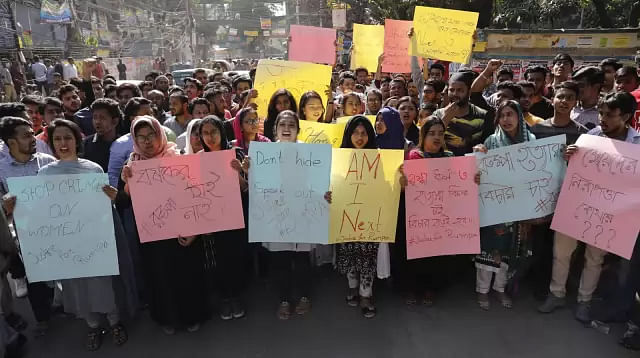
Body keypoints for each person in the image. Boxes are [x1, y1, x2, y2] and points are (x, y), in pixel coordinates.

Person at [539, 91, 638, 324]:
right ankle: (557, 294)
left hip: (609, 214)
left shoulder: (638, 144)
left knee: (594, 258)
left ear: (625, 116)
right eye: (601, 113)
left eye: (609, 115)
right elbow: (572, 168)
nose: (602, 118)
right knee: (561, 253)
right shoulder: (590, 136)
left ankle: (584, 301)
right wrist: (568, 155)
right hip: (577, 205)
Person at [37, 119, 128, 350]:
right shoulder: (44, 175)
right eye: (57, 138)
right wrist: (14, 205)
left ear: (77, 140)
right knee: (76, 286)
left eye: (67, 137)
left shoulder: (93, 169)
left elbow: (105, 208)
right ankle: (92, 325)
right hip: (67, 242)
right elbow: (40, 210)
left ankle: (115, 322)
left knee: (102, 283)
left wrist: (111, 196)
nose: (63, 143)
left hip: (94, 239)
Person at [120, 116, 209, 335]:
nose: (147, 141)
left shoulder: (178, 158)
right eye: (141, 137)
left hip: (182, 233)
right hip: (154, 237)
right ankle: (166, 317)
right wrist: (126, 182)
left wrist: (195, 231)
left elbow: (196, 195)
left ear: (159, 134)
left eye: (151, 135)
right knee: (159, 278)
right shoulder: (133, 165)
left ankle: (192, 315)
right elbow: (124, 202)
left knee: (186, 276)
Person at [473, 100, 535, 310]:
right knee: (490, 247)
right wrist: (478, 157)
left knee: (510, 249)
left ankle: (500, 289)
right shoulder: (491, 142)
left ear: (519, 117)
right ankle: (482, 290)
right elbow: (479, 171)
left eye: (511, 114)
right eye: (502, 115)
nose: (506, 119)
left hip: (519, 208)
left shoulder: (531, 143)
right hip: (494, 207)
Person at [0, 116, 55, 337]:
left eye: (33, 133)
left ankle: (65, 304)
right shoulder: (1, 170)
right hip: (26, 231)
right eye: (26, 135)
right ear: (10, 142)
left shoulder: (48, 161)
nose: (33, 138)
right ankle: (42, 316)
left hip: (56, 225)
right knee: (35, 275)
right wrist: (5, 207)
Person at [197, 115, 248, 320]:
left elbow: (246, 188)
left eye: (214, 132)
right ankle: (224, 298)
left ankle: (236, 296)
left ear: (222, 131)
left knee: (235, 256)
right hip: (211, 219)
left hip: (235, 217)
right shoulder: (198, 158)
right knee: (216, 259)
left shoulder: (235, 153)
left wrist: (239, 173)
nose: (210, 137)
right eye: (205, 133)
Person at [337, 116, 380, 319]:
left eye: (364, 133)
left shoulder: (379, 158)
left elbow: (386, 187)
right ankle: (352, 288)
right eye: (355, 132)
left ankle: (365, 295)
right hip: (347, 217)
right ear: (349, 135)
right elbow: (334, 184)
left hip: (370, 219)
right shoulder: (340, 158)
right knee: (349, 256)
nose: (360, 137)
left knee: (367, 258)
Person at [432, 71, 492, 156]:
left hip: (472, 166)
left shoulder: (483, 115)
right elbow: (429, 143)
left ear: (469, 91)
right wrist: (444, 120)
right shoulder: (437, 115)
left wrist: (483, 147)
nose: (455, 94)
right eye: (451, 90)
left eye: (460, 90)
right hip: (444, 166)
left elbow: (490, 145)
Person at [530, 81, 588, 145]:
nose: (564, 101)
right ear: (552, 101)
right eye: (560, 97)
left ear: (575, 103)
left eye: (570, 98)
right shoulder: (537, 130)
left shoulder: (582, 133)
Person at [82, 98, 121, 172]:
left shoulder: (124, 144)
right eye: (95, 117)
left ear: (115, 121)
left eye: (102, 118)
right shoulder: (85, 145)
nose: (97, 122)